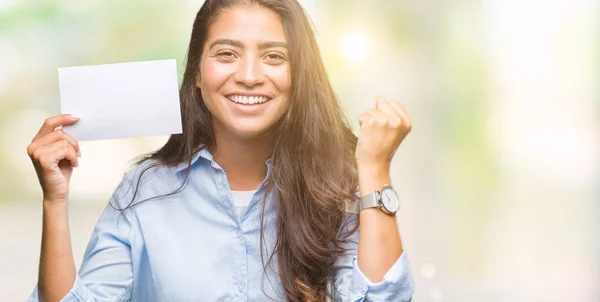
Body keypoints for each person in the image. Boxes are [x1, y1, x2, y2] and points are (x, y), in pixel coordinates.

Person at [27, 0, 415, 301]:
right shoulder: (145, 190)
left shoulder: (334, 190)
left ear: (299, 76)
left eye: (273, 56)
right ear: (197, 72)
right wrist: (54, 201)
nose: (248, 76)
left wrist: (374, 170)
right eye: (227, 53)